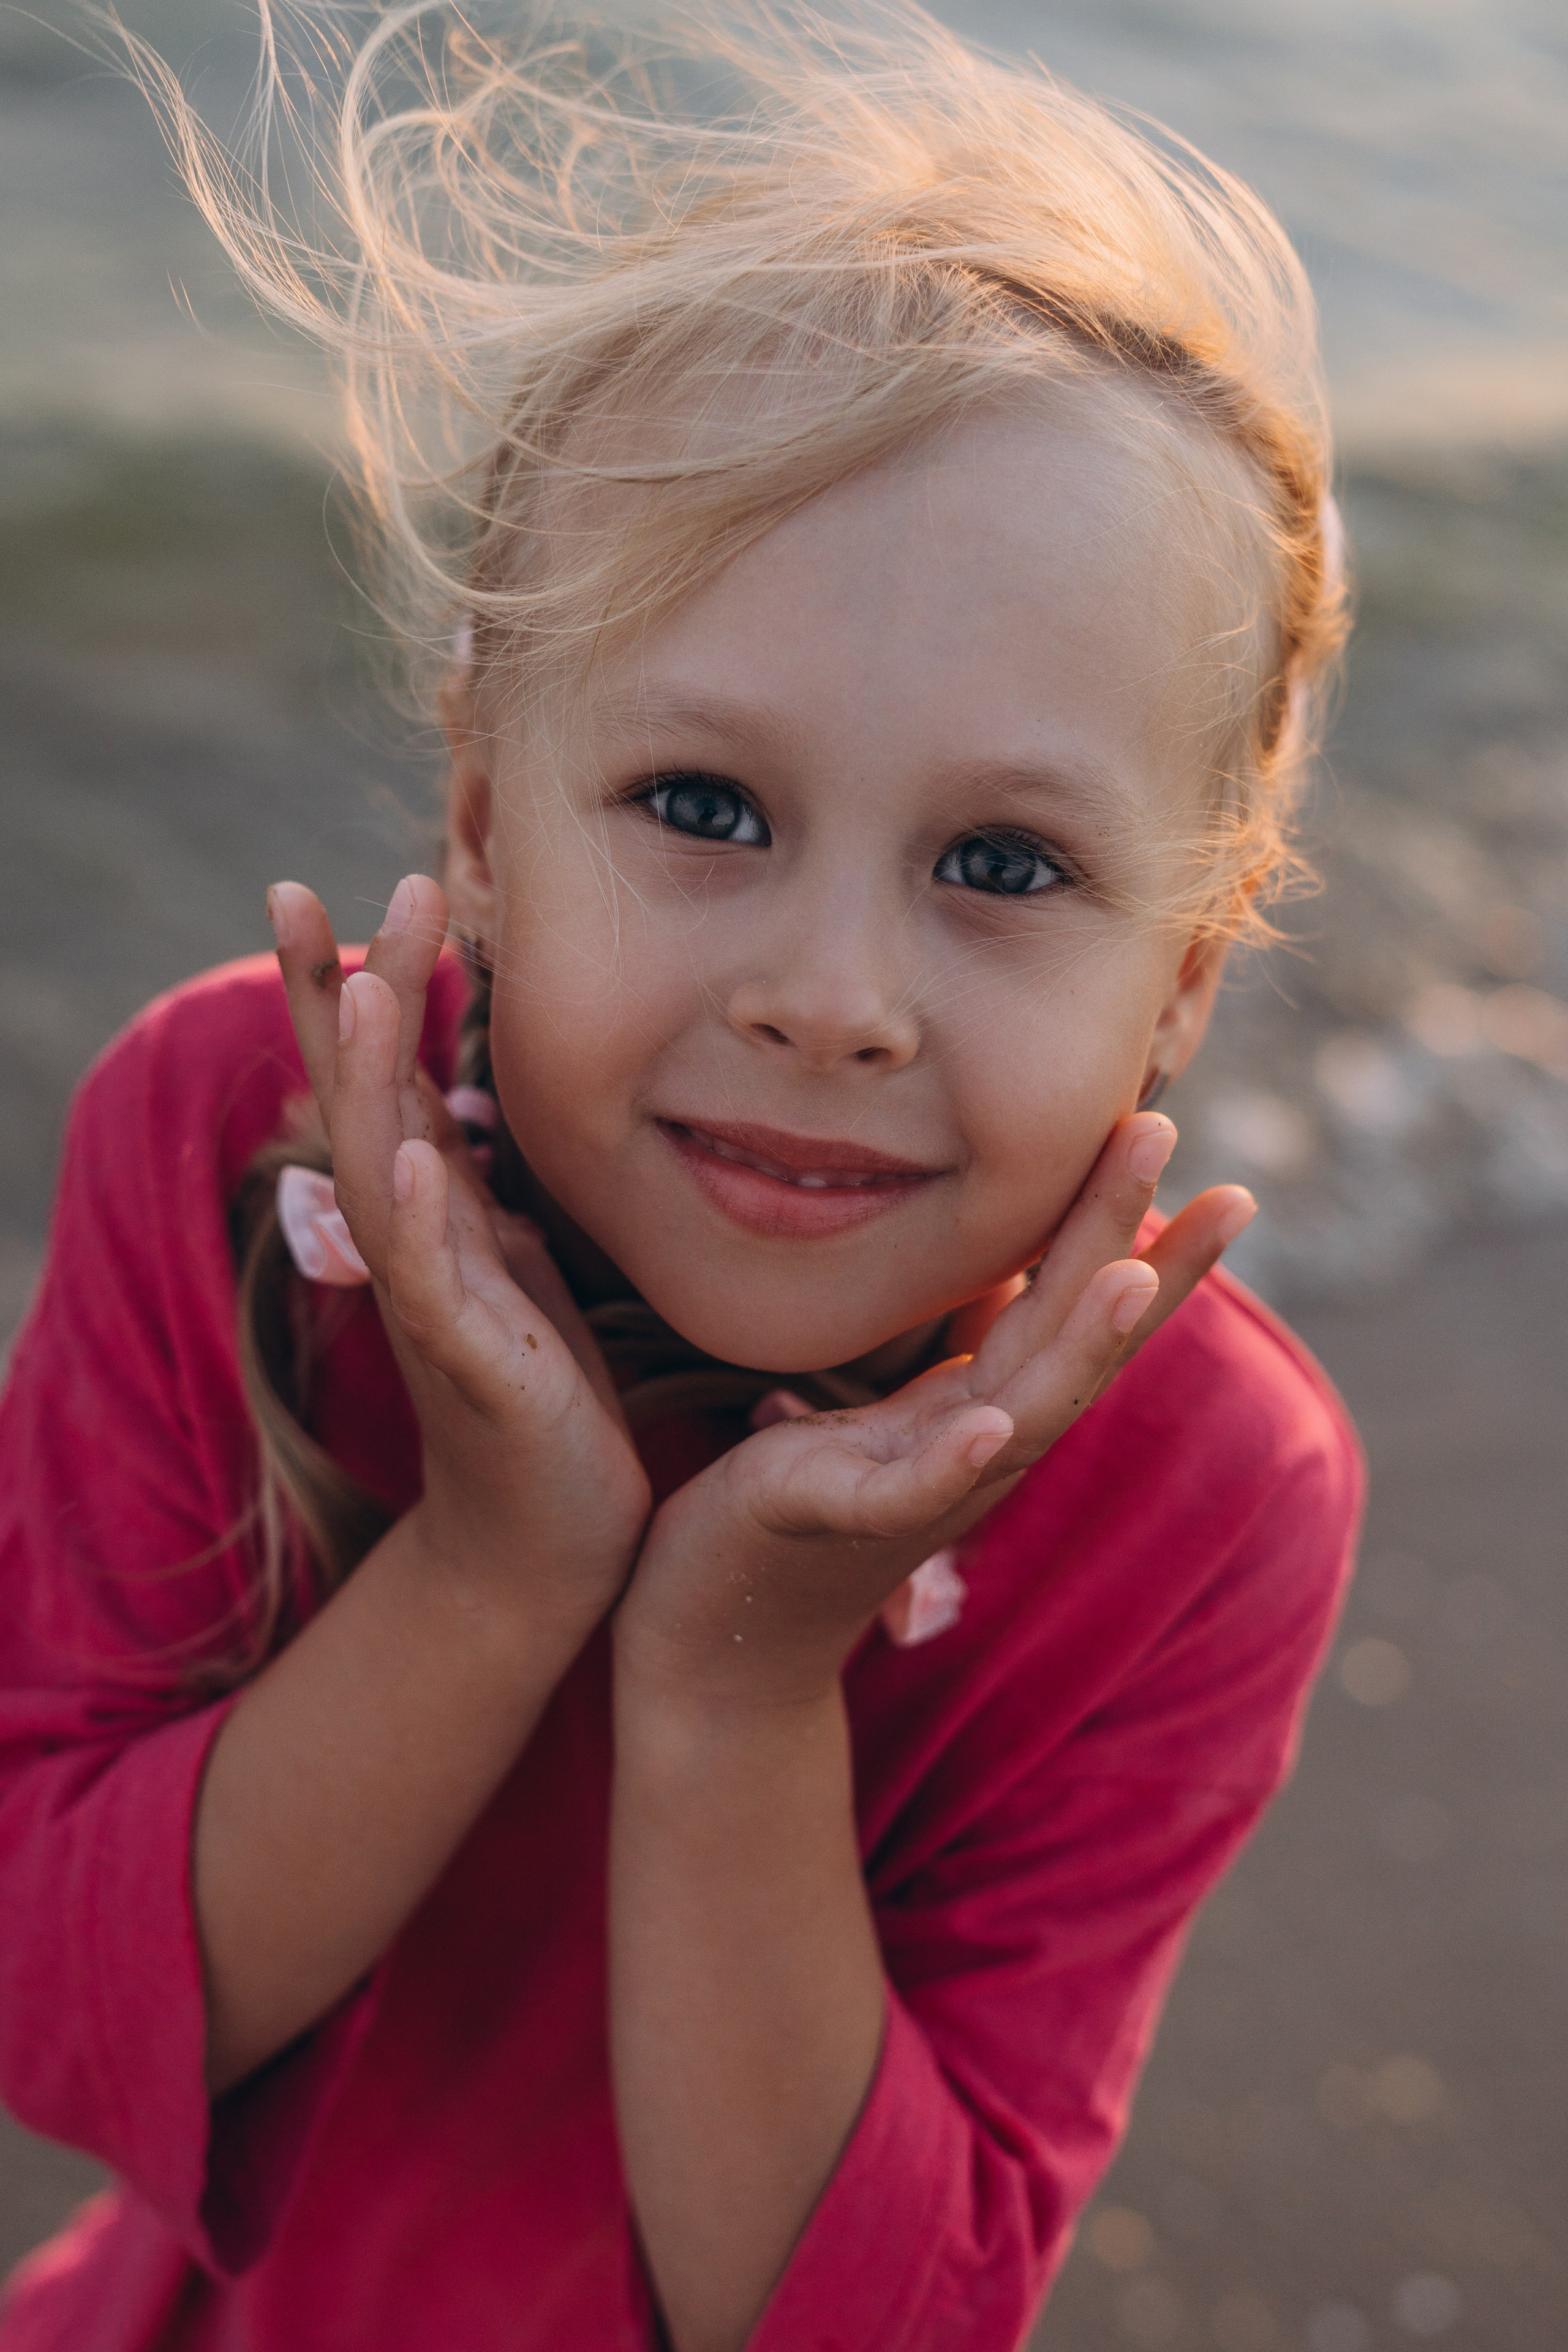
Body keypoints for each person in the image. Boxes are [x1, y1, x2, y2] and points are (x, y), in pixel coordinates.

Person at [0, 4, 1361, 2346]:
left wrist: (739, 1680)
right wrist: (495, 1561)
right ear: (482, 821)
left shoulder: (1208, 1494)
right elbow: (56, 2025)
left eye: (1005, 863)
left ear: (1183, 981)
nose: (835, 1000)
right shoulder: (234, 1144)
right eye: (705, 808)